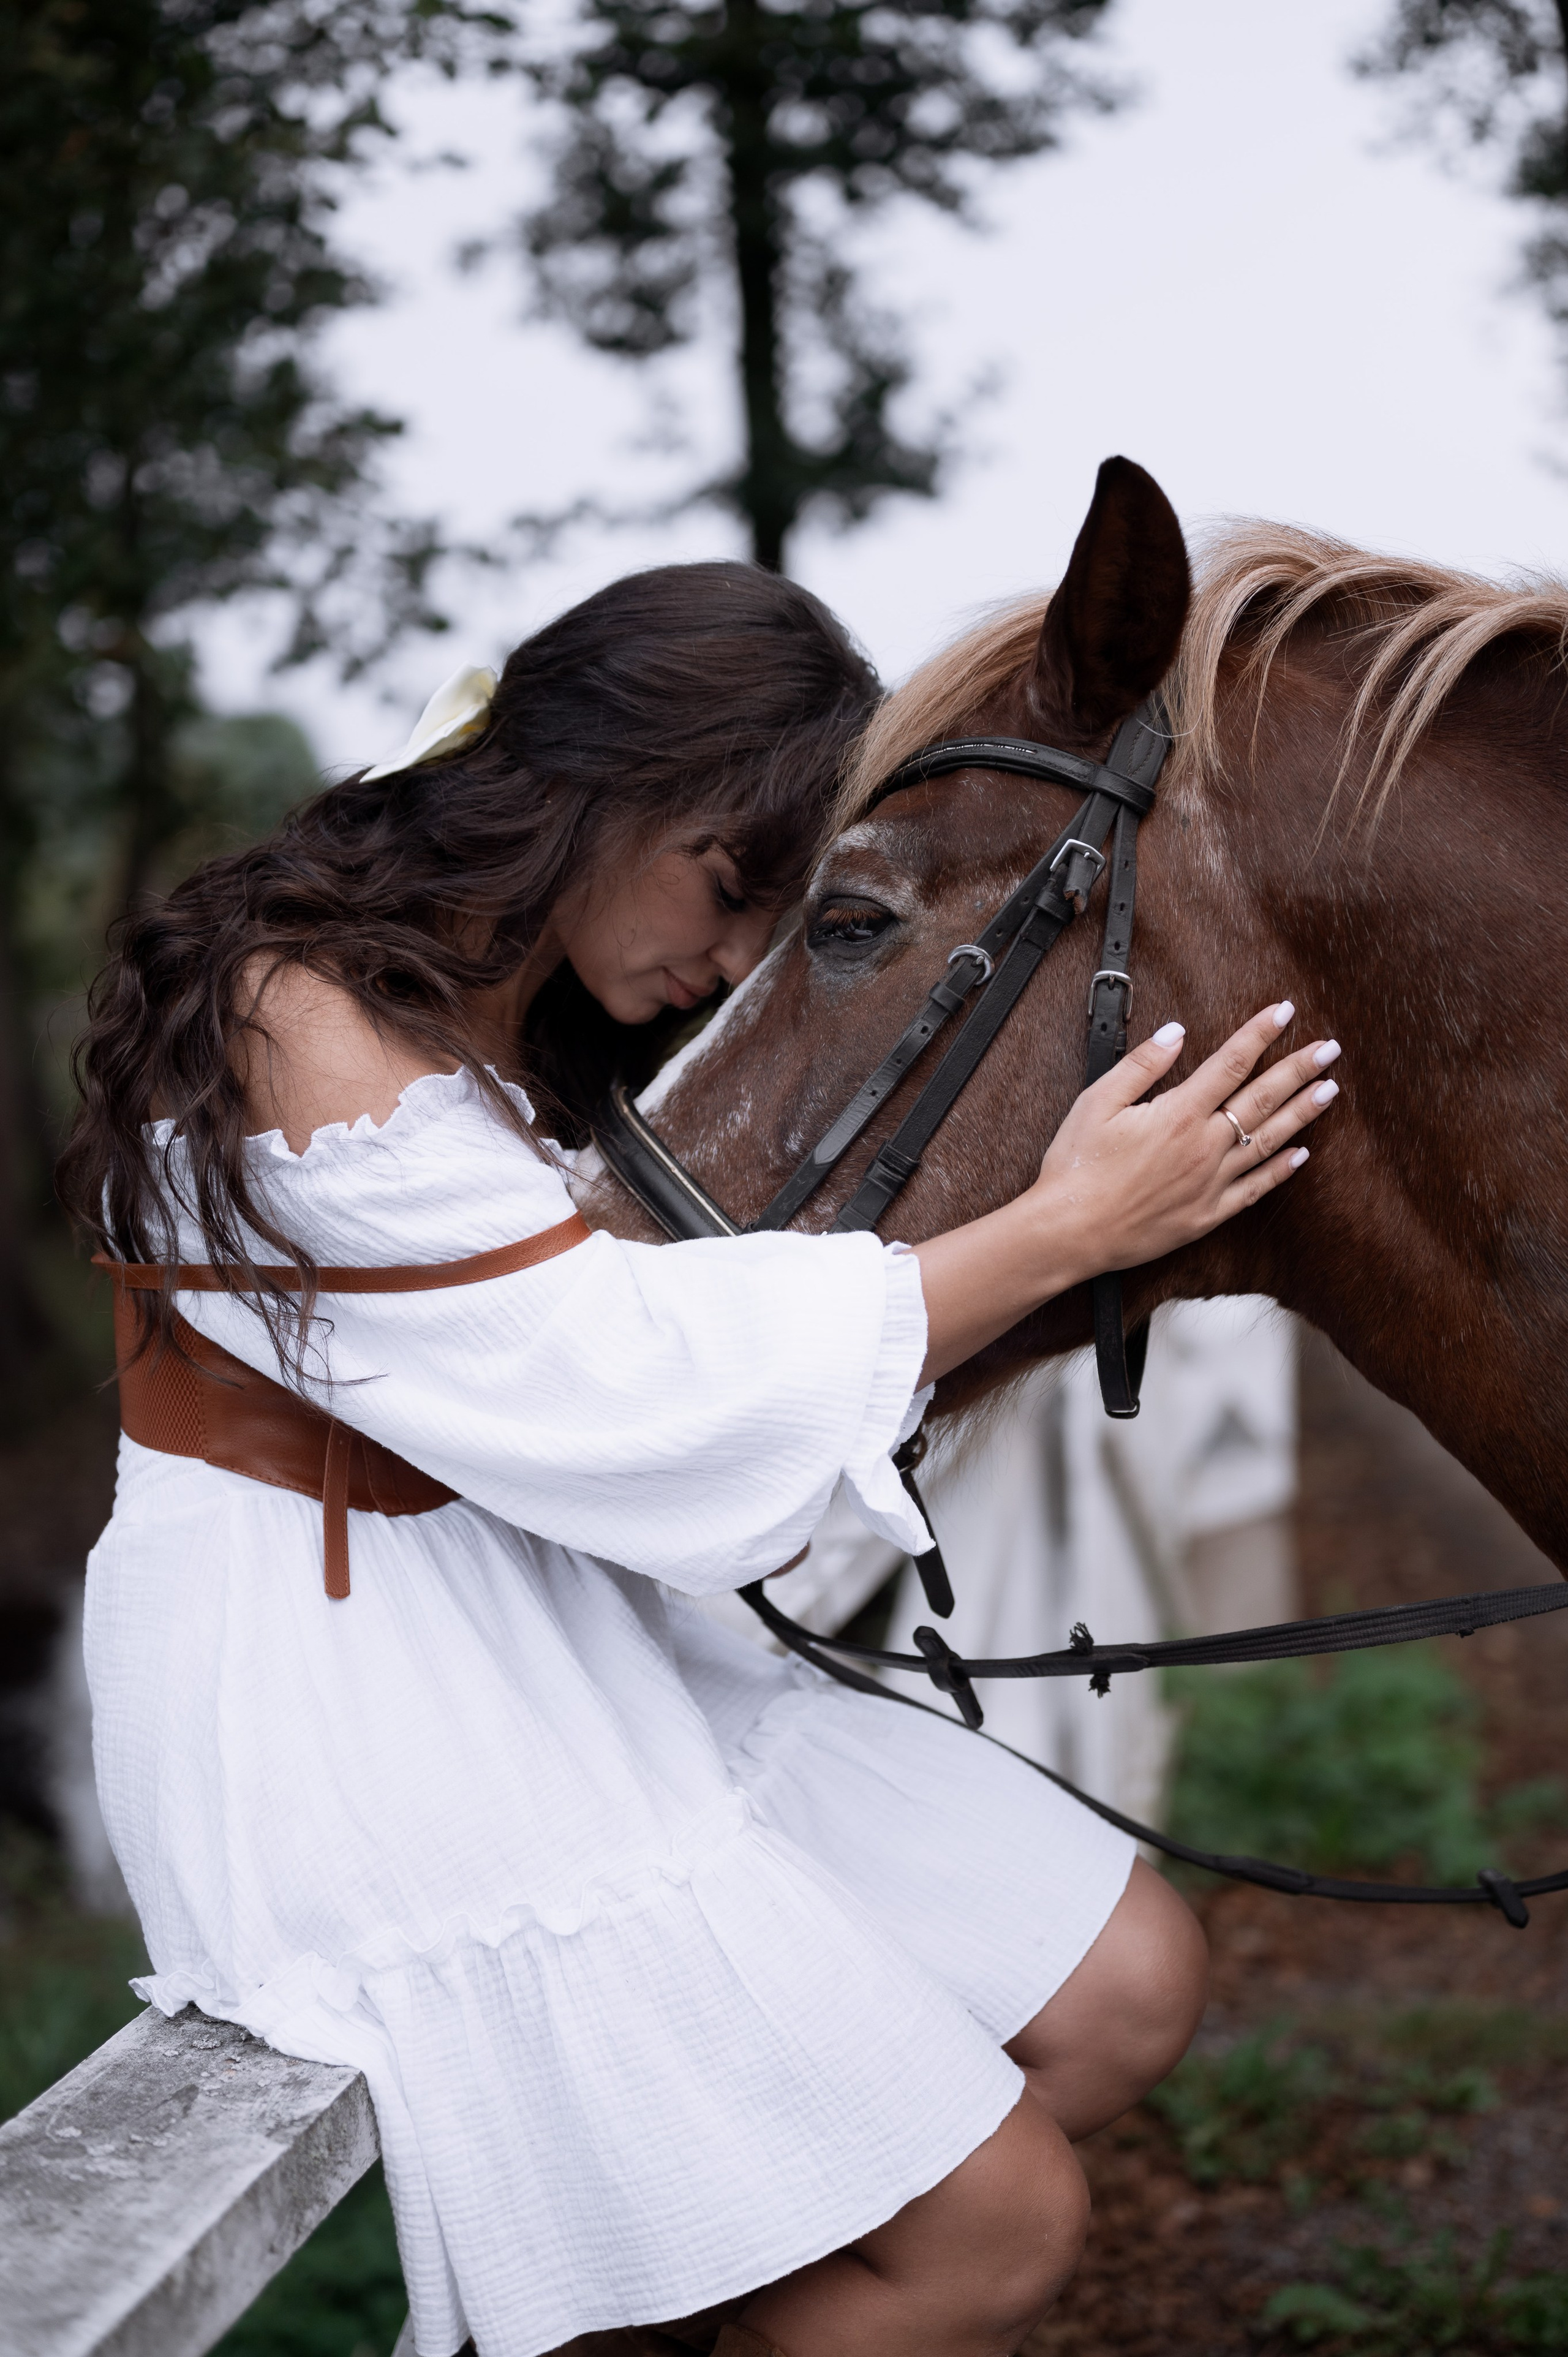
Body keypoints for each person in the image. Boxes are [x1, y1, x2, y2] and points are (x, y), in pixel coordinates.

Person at [61, 561, 1341, 2357]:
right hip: (353, 1703)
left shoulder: (510, 1031)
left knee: (1120, 1982)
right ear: (601, 784)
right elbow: (598, 1383)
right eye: (730, 882)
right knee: (991, 2230)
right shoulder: (291, 1012)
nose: (736, 956)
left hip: (546, 1635)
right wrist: (1063, 1233)